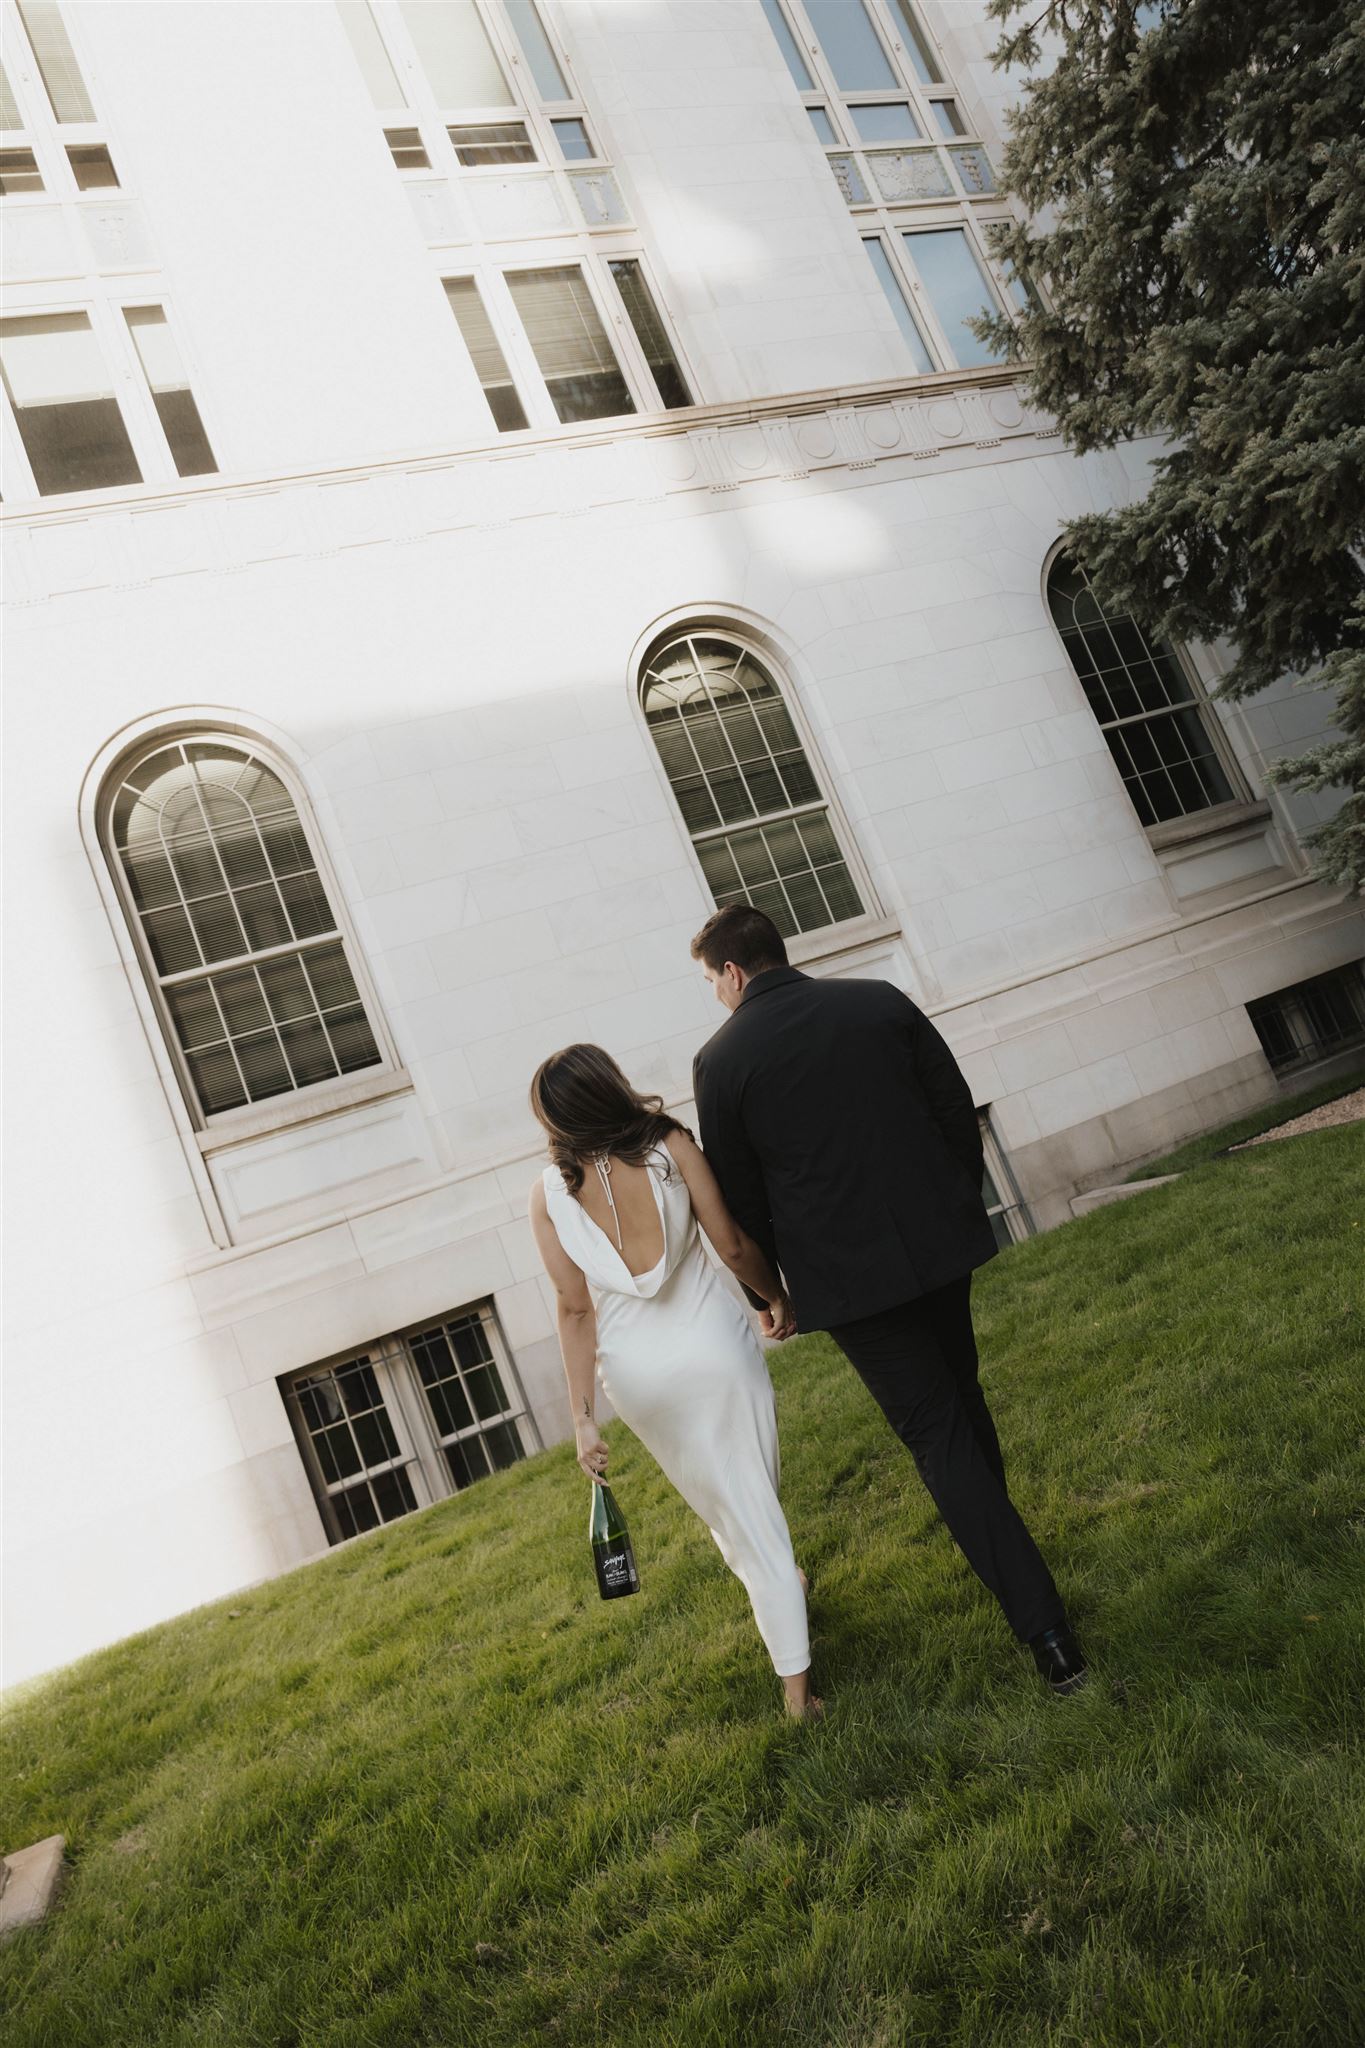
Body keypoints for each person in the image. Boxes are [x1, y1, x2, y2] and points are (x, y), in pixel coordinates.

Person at [689, 903, 1087, 1697]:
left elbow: (739, 1197)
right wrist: (951, 1197)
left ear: (732, 972)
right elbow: (952, 1109)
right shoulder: (876, 999)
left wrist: (768, 1293)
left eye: (708, 981)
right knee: (960, 1406)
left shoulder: (719, 1061)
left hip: (847, 1281)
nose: (713, 995)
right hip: (938, 1244)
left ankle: (1046, 1632)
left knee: (939, 1435)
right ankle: (1011, 1559)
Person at [527, 1043, 822, 1721]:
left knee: (727, 1501)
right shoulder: (668, 1145)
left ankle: (778, 1576)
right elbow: (733, 1246)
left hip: (637, 1380)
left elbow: (574, 1310)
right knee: (750, 1501)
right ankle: (798, 1693)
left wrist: (582, 1418)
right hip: (712, 1350)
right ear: (611, 1085)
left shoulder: (547, 1194)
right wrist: (774, 1295)